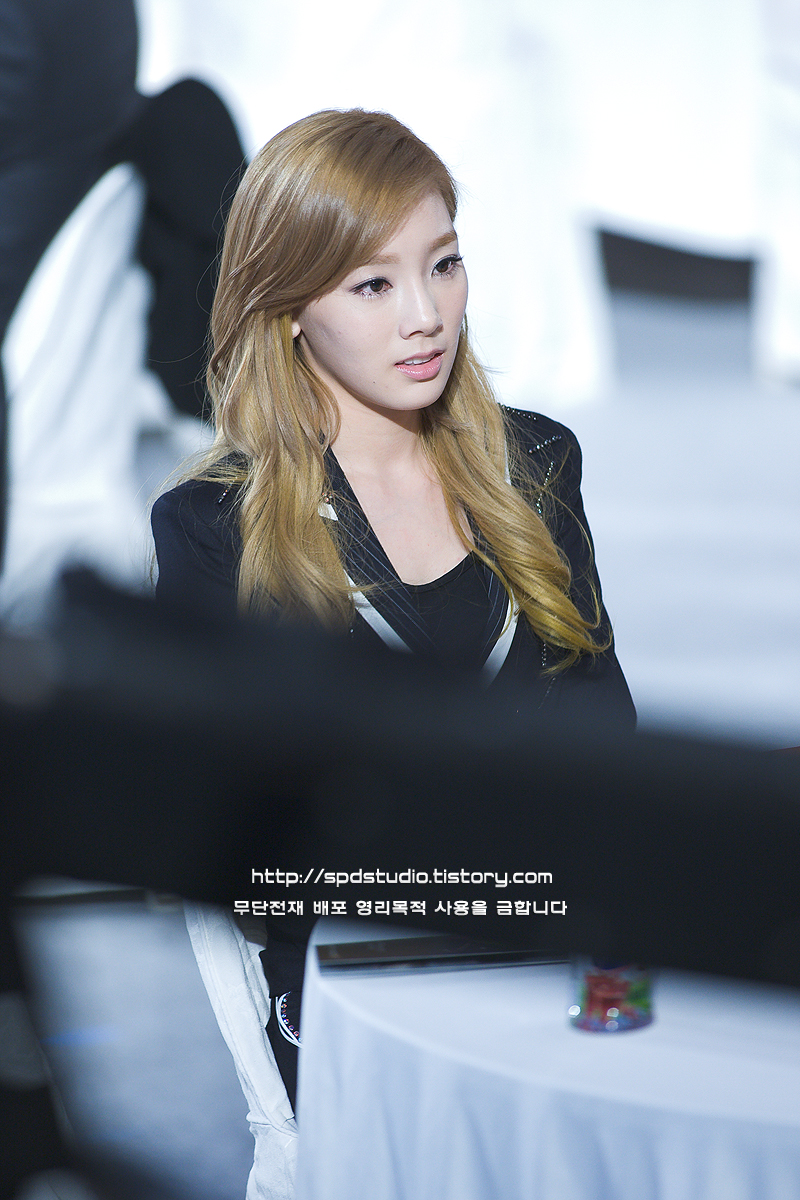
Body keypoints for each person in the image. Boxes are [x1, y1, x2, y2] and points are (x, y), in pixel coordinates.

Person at [151, 108, 635, 1119]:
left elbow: (606, 741)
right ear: (287, 305)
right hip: (360, 997)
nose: (426, 315)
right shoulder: (214, 526)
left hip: (550, 963)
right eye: (372, 285)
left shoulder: (536, 464)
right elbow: (230, 851)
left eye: (443, 265)